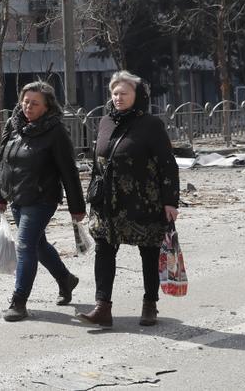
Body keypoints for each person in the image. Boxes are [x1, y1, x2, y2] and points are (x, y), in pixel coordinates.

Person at [78, 71, 180, 328]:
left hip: (143, 200)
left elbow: (168, 165)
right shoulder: (104, 122)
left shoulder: (151, 125)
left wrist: (171, 202)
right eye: (114, 93)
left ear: (138, 96)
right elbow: (97, 162)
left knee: (148, 251)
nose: (118, 98)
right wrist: (92, 194)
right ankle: (103, 307)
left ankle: (150, 304)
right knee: (104, 249)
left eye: (124, 93)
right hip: (107, 203)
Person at [0, 81, 87, 322]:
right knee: (37, 245)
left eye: (35, 103)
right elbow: (3, 162)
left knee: (25, 246)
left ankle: (19, 301)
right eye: (25, 101)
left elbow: (69, 171)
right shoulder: (13, 125)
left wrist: (77, 207)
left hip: (41, 198)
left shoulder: (55, 131)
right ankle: (66, 279)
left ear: (47, 107)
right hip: (16, 196)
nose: (28, 107)